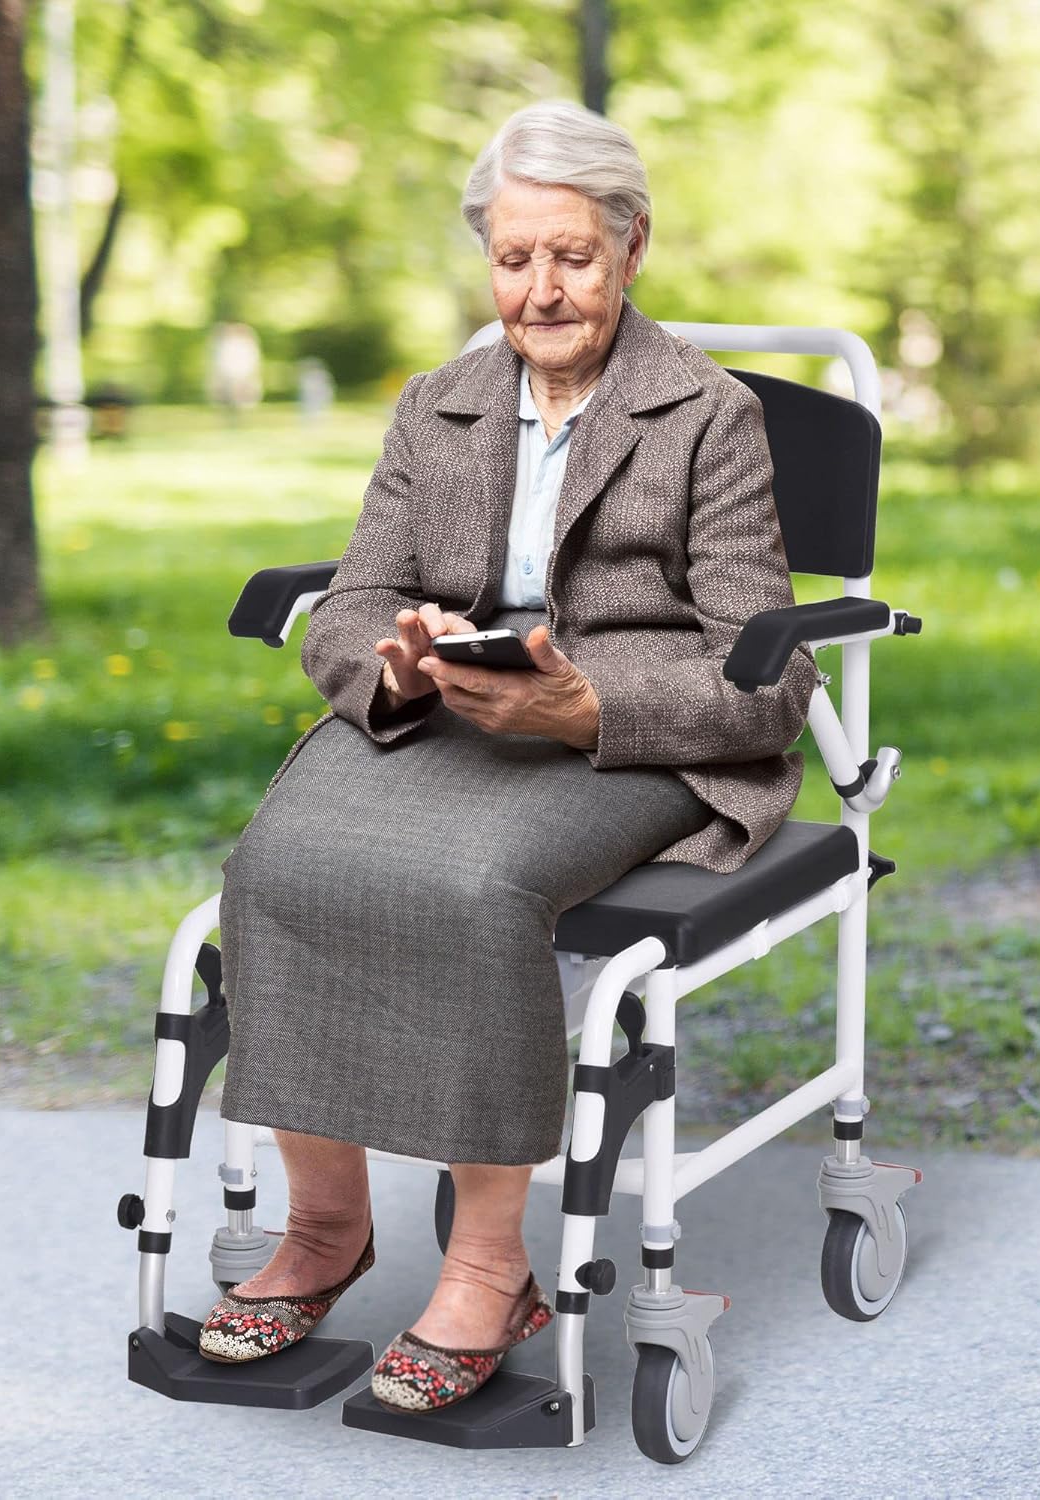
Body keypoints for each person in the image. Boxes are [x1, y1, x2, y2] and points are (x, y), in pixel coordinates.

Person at [201, 98, 817, 1414]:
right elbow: (361, 595)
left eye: (573, 257)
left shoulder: (708, 417)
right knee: (276, 862)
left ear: (632, 247)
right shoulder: (442, 408)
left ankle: (491, 1267)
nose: (540, 290)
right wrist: (400, 661)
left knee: (478, 891)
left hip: (625, 743)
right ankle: (326, 1227)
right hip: (456, 719)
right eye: (513, 258)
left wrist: (589, 708)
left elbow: (762, 672)